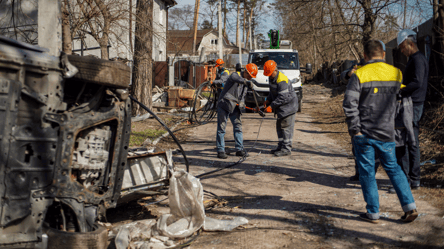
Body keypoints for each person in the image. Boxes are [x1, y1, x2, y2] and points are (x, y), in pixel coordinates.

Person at [343, 40, 418, 223]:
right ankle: (410, 207)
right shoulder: (396, 73)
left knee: (367, 172)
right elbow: (401, 100)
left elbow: (349, 103)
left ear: (365, 56)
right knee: (394, 168)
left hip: (364, 134)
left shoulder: (359, 74)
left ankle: (373, 213)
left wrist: (355, 130)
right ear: (384, 55)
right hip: (387, 132)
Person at [341, 41, 386, 181]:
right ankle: (359, 173)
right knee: (357, 146)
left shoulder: (385, 70)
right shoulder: (360, 66)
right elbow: (343, 76)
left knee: (375, 150)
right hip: (359, 111)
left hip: (377, 114)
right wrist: (349, 74)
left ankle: (369, 174)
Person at [397, 29, 429, 190]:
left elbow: (417, 82)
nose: (402, 51)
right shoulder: (415, 59)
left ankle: (413, 179)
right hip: (412, 103)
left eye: (403, 47)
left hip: (414, 104)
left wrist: (401, 90)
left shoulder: (417, 59)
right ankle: (412, 178)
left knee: (411, 141)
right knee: (409, 141)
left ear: (410, 44)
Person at [216, 63, 257, 159]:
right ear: (245, 71)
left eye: (252, 77)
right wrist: (246, 81)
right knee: (221, 129)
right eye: (249, 76)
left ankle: (239, 149)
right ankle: (220, 150)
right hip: (224, 105)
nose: (250, 78)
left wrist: (242, 103)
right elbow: (237, 79)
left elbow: (242, 95)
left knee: (238, 127)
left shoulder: (246, 82)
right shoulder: (235, 75)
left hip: (235, 107)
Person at [263, 60, 298, 157]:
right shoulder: (272, 78)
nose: (269, 76)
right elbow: (272, 92)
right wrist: (268, 100)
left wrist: (271, 106)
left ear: (275, 70)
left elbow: (283, 97)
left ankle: (286, 149)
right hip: (282, 107)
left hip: (289, 107)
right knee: (279, 127)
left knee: (286, 128)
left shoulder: (281, 80)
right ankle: (281, 146)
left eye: (270, 74)